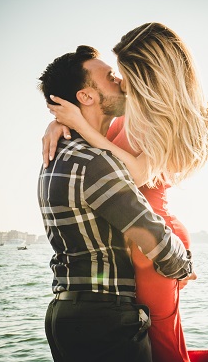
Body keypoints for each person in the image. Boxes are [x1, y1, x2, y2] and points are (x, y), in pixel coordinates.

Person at [43, 23, 208, 362]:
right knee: (154, 350)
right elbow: (96, 131)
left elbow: (136, 172)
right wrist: (60, 122)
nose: (119, 82)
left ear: (148, 75)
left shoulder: (161, 120)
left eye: (123, 74)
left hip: (153, 243)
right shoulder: (128, 112)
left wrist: (78, 125)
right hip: (140, 242)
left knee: (165, 353)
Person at [38, 45, 196, 362]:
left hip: (63, 311)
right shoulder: (95, 164)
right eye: (110, 77)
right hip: (104, 318)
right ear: (86, 97)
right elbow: (154, 238)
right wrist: (184, 266)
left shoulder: (55, 156)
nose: (120, 81)